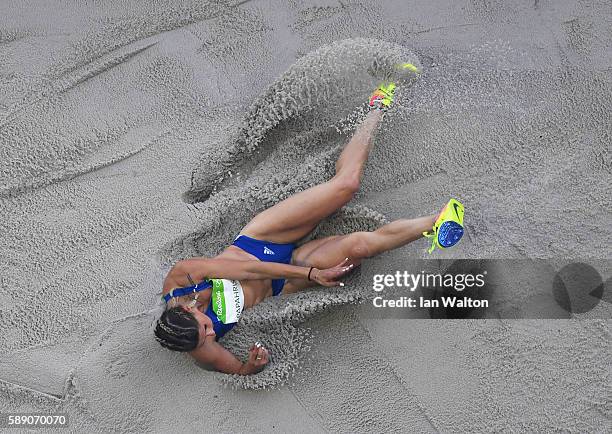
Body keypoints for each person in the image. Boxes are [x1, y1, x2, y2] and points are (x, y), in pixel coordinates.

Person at [154, 79, 464, 375]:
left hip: (260, 243)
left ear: (184, 311)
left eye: (204, 326)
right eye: (208, 335)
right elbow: (236, 369)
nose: (210, 331)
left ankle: (377, 106)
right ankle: (438, 223)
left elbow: (252, 270)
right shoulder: (198, 345)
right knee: (357, 250)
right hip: (281, 284)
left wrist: (312, 275)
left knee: (346, 186)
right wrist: (253, 364)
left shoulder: (185, 276)